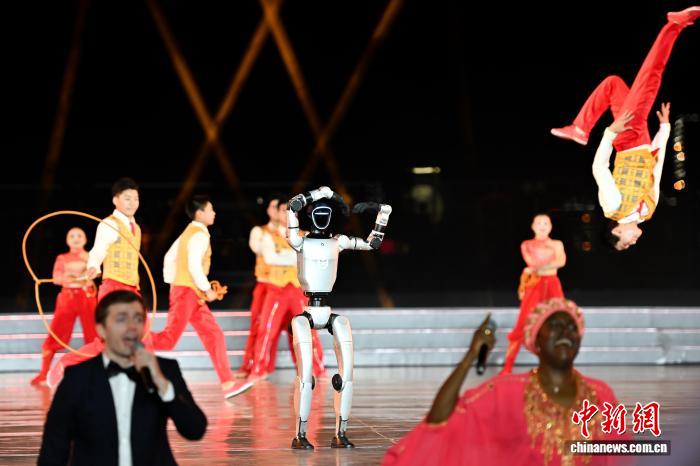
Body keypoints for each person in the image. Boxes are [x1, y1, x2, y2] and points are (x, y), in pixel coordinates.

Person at [383, 298, 629, 466]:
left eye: (571, 327)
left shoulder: (601, 394)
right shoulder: (506, 391)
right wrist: (471, 355)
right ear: (536, 340)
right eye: (555, 326)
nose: (565, 332)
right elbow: (439, 420)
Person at [550, 7, 700, 250]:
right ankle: (580, 128)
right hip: (643, 139)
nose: (631, 243)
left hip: (627, 137)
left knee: (650, 77)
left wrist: (611, 131)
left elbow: (600, 168)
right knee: (613, 83)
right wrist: (664, 130)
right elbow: (656, 169)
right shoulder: (647, 211)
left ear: (616, 231)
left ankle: (674, 25)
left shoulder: (613, 207)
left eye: (625, 244)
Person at [38, 290, 207, 466]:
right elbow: (53, 450)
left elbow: (195, 430)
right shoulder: (77, 378)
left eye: (138, 319)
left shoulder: (165, 370)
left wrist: (163, 386)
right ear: (101, 329)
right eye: (121, 319)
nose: (132, 327)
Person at [149, 195, 240, 399]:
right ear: (200, 213)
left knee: (214, 335)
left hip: (189, 292)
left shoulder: (189, 232)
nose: (214, 213)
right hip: (187, 292)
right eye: (210, 209)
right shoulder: (199, 235)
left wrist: (174, 282)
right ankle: (129, 340)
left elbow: (169, 257)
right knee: (168, 340)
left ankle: (228, 382)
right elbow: (193, 266)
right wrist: (206, 289)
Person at [31, 228, 97, 385]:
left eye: (79, 235)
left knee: (94, 334)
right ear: (67, 240)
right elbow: (56, 278)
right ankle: (44, 372)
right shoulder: (62, 258)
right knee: (55, 333)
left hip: (87, 296)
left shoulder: (91, 257)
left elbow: (96, 273)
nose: (76, 238)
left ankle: (97, 371)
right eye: (72, 236)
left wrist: (87, 273)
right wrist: (69, 278)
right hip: (68, 298)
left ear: (85, 240)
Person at [502, 213, 565, 374]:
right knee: (523, 323)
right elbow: (533, 263)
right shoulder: (527, 244)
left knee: (558, 320)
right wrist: (543, 267)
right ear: (533, 226)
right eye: (539, 223)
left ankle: (559, 366)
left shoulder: (557, 244)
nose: (542, 226)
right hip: (535, 285)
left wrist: (539, 268)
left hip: (552, 284)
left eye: (546, 223)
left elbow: (561, 261)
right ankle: (507, 367)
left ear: (551, 226)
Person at [238, 196, 279, 377]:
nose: (278, 211)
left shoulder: (293, 232)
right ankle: (250, 365)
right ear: (269, 210)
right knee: (259, 325)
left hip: (289, 286)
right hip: (266, 284)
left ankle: (312, 370)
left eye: (282, 208)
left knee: (295, 329)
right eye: (275, 207)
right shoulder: (260, 232)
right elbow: (260, 250)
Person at [86, 177, 142, 297]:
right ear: (115, 200)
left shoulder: (137, 228)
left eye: (136, 199)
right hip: (114, 286)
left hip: (133, 287)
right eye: (127, 199)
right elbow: (99, 249)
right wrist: (93, 266)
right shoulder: (109, 223)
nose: (132, 203)